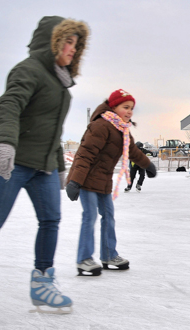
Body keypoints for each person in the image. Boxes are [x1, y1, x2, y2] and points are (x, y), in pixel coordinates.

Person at [0, 16, 89, 313]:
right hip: (15, 161)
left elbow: (52, 131)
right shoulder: (28, 70)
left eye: (76, 44)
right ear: (53, 42)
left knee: (50, 221)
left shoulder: (61, 86)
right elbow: (10, 105)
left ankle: (42, 283)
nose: (72, 49)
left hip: (42, 167)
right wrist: (4, 143)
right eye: (68, 41)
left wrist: (59, 165)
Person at [65, 89, 157, 276]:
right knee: (89, 216)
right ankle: (83, 259)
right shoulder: (101, 126)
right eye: (125, 107)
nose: (130, 112)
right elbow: (85, 154)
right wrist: (75, 181)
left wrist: (147, 165)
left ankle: (108, 255)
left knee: (109, 216)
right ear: (113, 107)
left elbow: (132, 151)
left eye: (131, 108)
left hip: (103, 181)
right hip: (85, 179)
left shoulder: (122, 130)